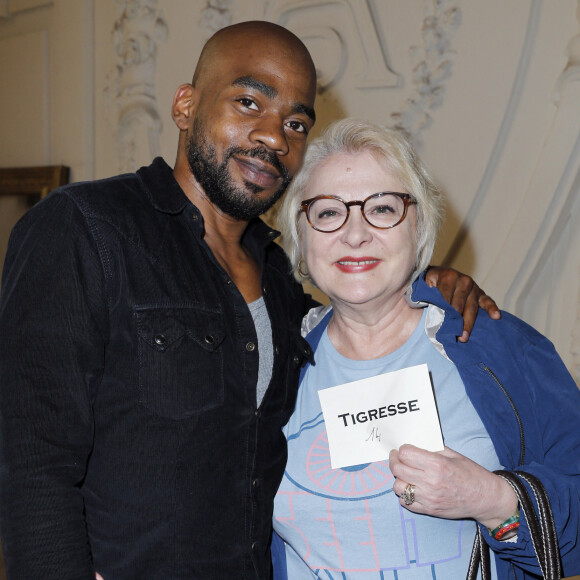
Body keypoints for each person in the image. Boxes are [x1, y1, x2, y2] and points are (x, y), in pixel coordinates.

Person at [0, 22, 498, 580]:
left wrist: (427, 280)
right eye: (247, 101)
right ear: (186, 106)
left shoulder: (283, 282)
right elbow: (31, 462)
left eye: (295, 123)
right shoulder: (83, 229)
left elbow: (361, 317)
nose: (273, 138)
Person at [272, 118, 580, 579]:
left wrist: (492, 500)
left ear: (419, 228)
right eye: (329, 212)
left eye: (382, 208)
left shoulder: (499, 348)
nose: (355, 234)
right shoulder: (269, 366)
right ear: (301, 235)